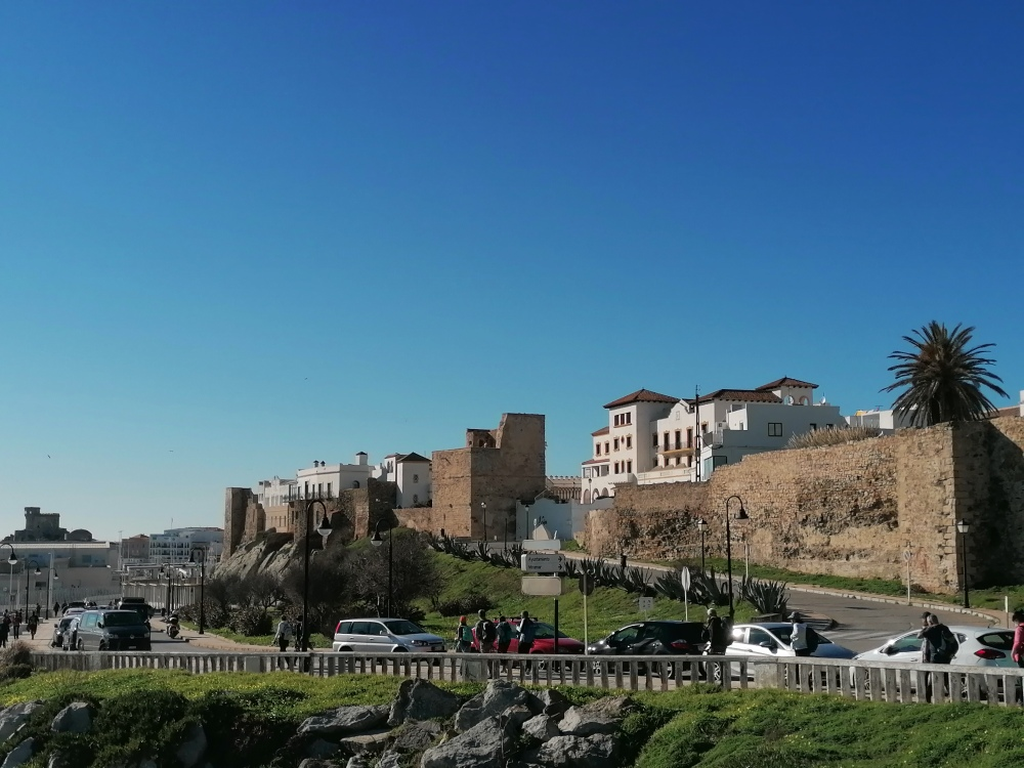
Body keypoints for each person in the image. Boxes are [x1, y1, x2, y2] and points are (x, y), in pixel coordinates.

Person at [918, 613, 956, 702]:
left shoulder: (931, 630)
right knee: (946, 678)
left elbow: (919, 635)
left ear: (930, 622)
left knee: (932, 679)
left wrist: (927, 627)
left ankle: (927, 699)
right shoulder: (944, 628)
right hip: (945, 658)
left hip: (934, 658)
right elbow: (953, 642)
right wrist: (950, 654)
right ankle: (952, 697)